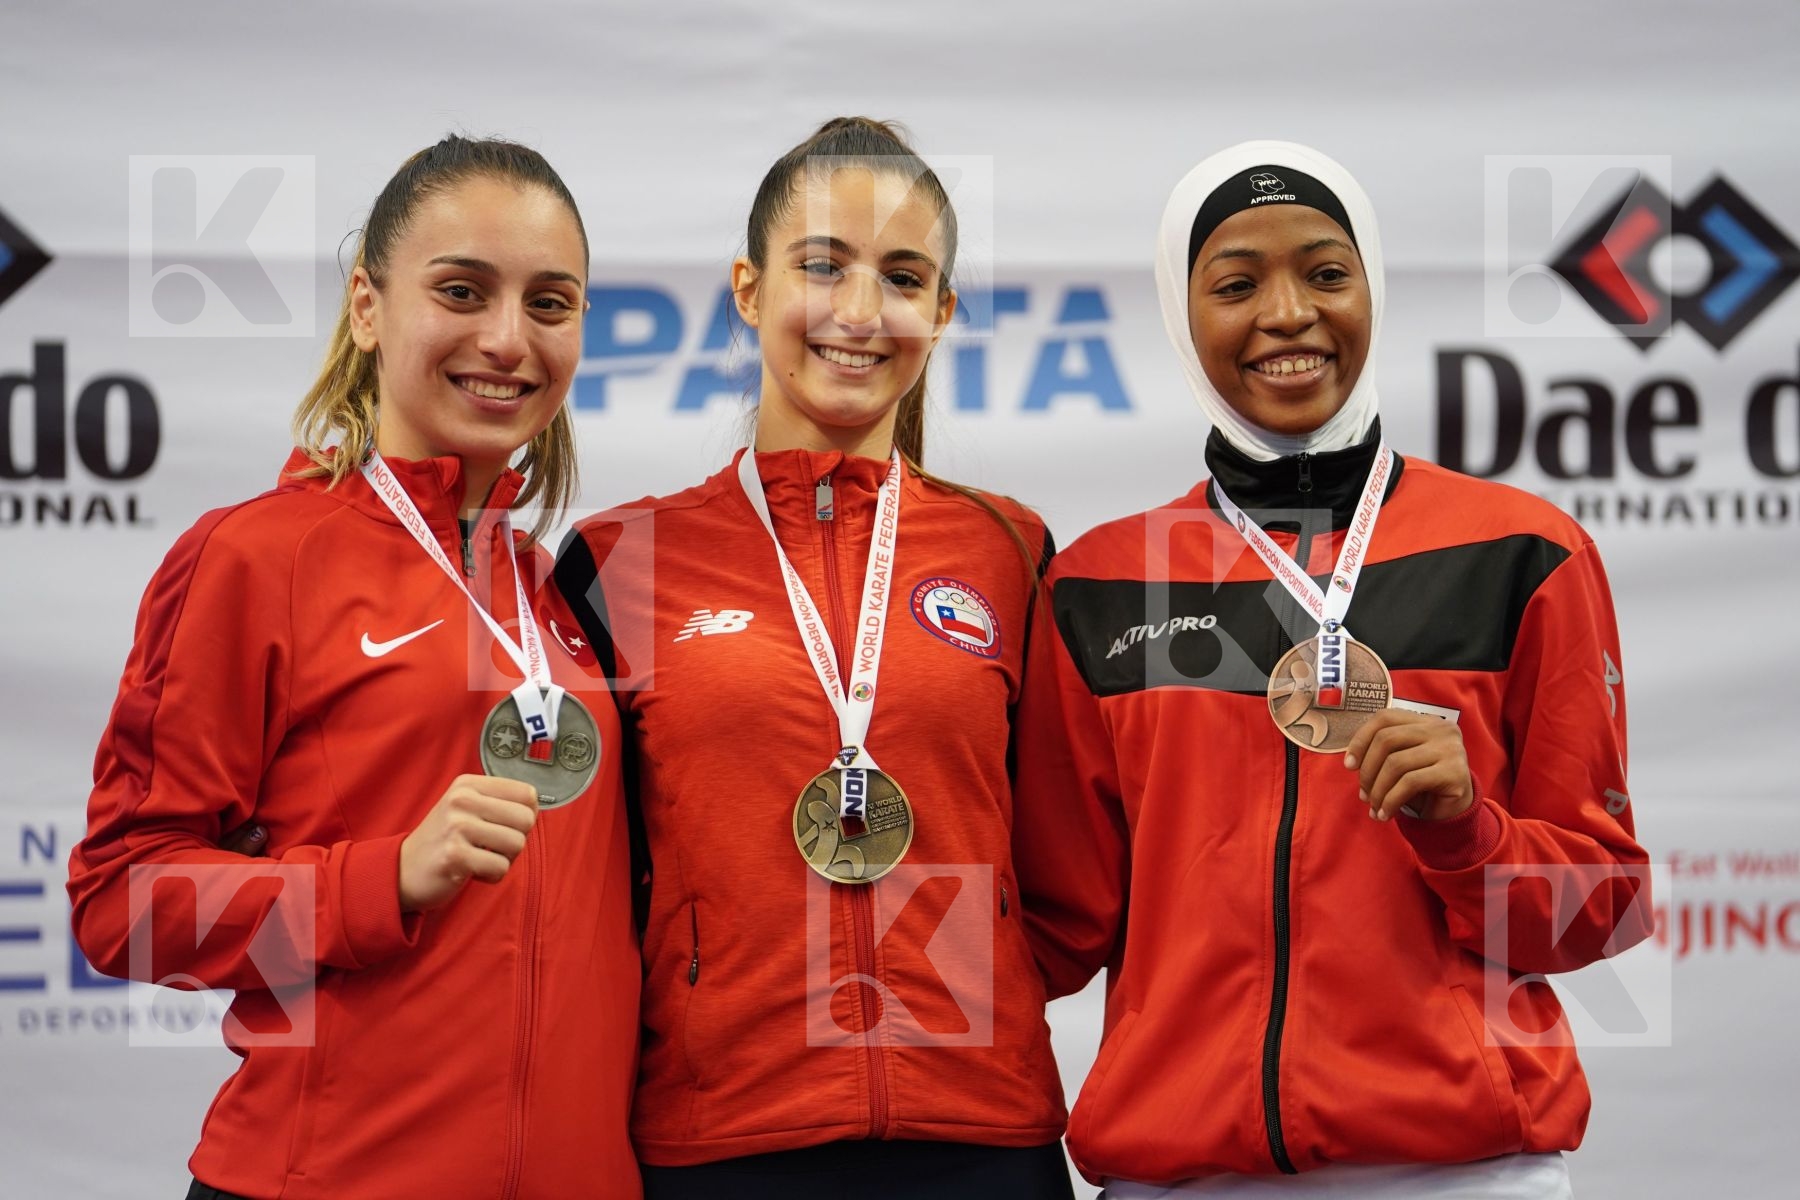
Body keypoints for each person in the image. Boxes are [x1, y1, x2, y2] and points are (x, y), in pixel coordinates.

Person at [1013, 140, 1653, 1198]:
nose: (1288, 314)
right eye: (1235, 285)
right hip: (1185, 1176)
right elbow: (1047, 928)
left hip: (1457, 1171)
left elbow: (1604, 907)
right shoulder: (1103, 585)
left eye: (1325, 273)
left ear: (1372, 288)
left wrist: (1468, 834)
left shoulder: (1520, 553)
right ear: (1181, 316)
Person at [66, 135, 640, 1200]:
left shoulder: (569, 593)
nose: (507, 338)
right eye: (461, 291)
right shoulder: (257, 556)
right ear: (368, 307)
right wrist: (380, 880)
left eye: (550, 304)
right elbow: (122, 902)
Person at [552, 116, 1074, 1200]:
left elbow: (1067, 866)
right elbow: (583, 887)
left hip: (980, 1136)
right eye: (822, 266)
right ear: (749, 290)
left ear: (943, 311)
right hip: (722, 1140)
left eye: (902, 277)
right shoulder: (622, 558)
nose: (860, 311)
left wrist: (976, 977)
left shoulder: (1010, 548)